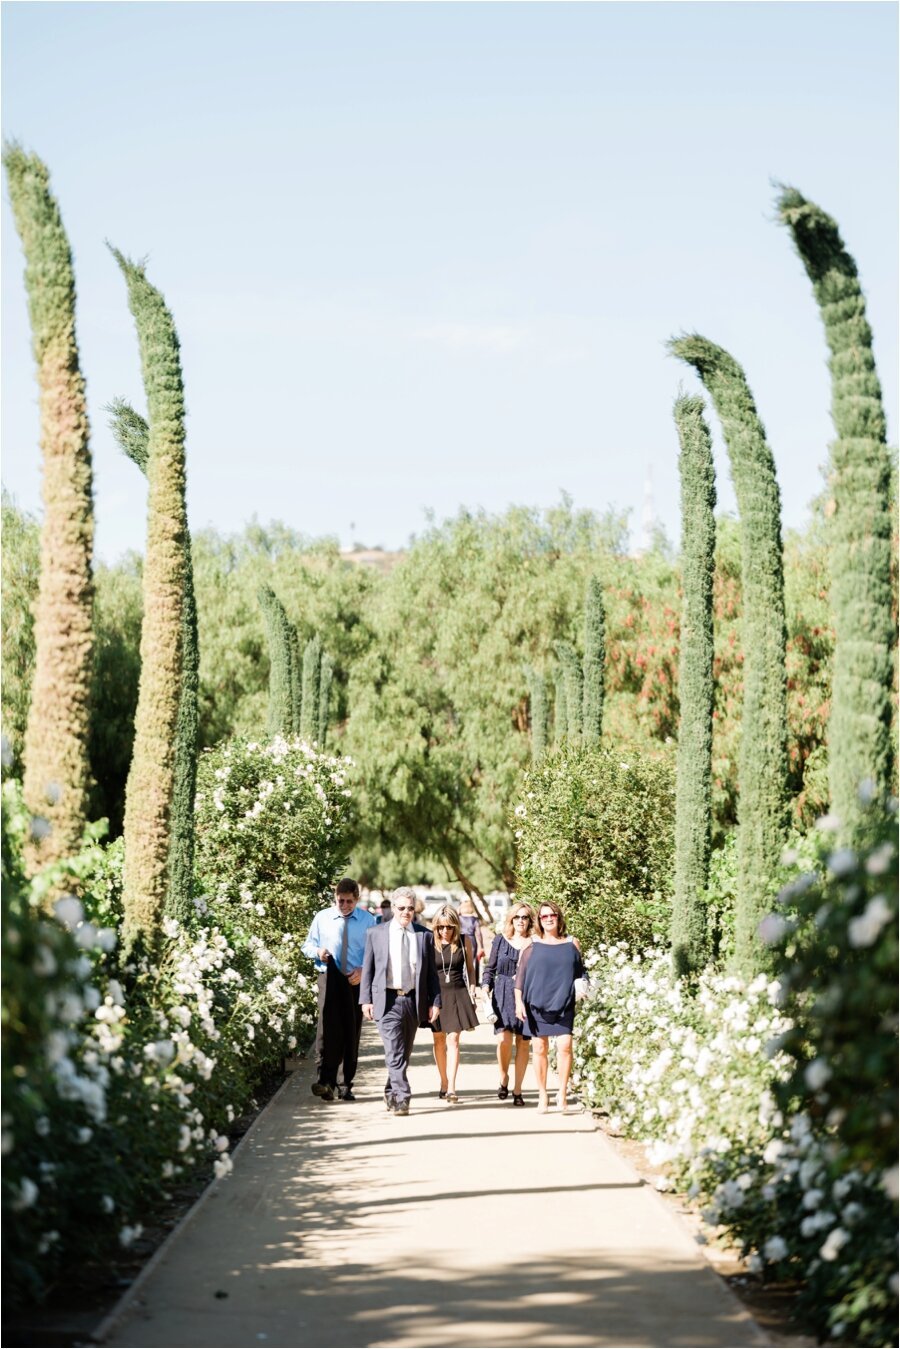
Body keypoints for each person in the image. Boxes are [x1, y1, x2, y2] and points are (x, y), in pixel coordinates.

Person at [360, 887, 440, 1116]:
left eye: (410, 908)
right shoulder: (376, 933)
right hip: (387, 1000)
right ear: (393, 908)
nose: (406, 912)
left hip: (413, 1001)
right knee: (394, 1050)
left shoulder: (424, 935)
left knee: (403, 1052)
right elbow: (368, 968)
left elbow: (431, 975)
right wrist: (365, 999)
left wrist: (435, 1001)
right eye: (402, 908)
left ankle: (391, 1091)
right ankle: (403, 1096)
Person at [302, 878, 375, 1102]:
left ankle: (345, 1084)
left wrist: (363, 971)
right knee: (327, 1028)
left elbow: (375, 952)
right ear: (335, 898)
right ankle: (325, 1081)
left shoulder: (367, 920)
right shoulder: (322, 917)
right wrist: (318, 952)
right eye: (340, 901)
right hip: (328, 975)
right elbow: (307, 946)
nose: (344, 905)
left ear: (356, 899)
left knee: (350, 1031)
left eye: (348, 902)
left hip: (354, 980)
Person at [514, 900, 583, 1114]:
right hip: (536, 1005)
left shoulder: (573, 943)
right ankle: (543, 1094)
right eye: (544, 916)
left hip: (564, 1003)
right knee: (540, 1049)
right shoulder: (531, 944)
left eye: (552, 915)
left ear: (559, 917)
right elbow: (520, 978)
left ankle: (561, 1093)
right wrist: (518, 1002)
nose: (549, 919)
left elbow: (581, 972)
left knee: (565, 1047)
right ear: (539, 921)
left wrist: (583, 987)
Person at [482, 902, 535, 1107]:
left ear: (530, 920)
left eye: (524, 917)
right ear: (511, 919)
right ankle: (503, 1076)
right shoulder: (500, 940)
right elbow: (490, 968)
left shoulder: (535, 943)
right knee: (503, 1040)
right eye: (517, 917)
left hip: (526, 995)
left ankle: (518, 1089)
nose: (520, 921)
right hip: (503, 993)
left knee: (523, 1042)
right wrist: (485, 986)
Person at [429, 906, 478, 1104]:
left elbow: (471, 968)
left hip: (458, 993)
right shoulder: (430, 942)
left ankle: (452, 1087)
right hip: (436, 995)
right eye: (441, 927)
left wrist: (473, 988)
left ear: (455, 926)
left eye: (449, 927)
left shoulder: (464, 940)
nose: (445, 931)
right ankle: (443, 1081)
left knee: (454, 1040)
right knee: (439, 1041)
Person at [457, 897, 485, 981]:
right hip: (472, 940)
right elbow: (478, 933)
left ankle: (462, 977)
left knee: (460, 959)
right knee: (470, 960)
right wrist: (481, 946)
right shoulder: (474, 919)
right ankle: (468, 978)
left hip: (460, 939)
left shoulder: (459, 918)